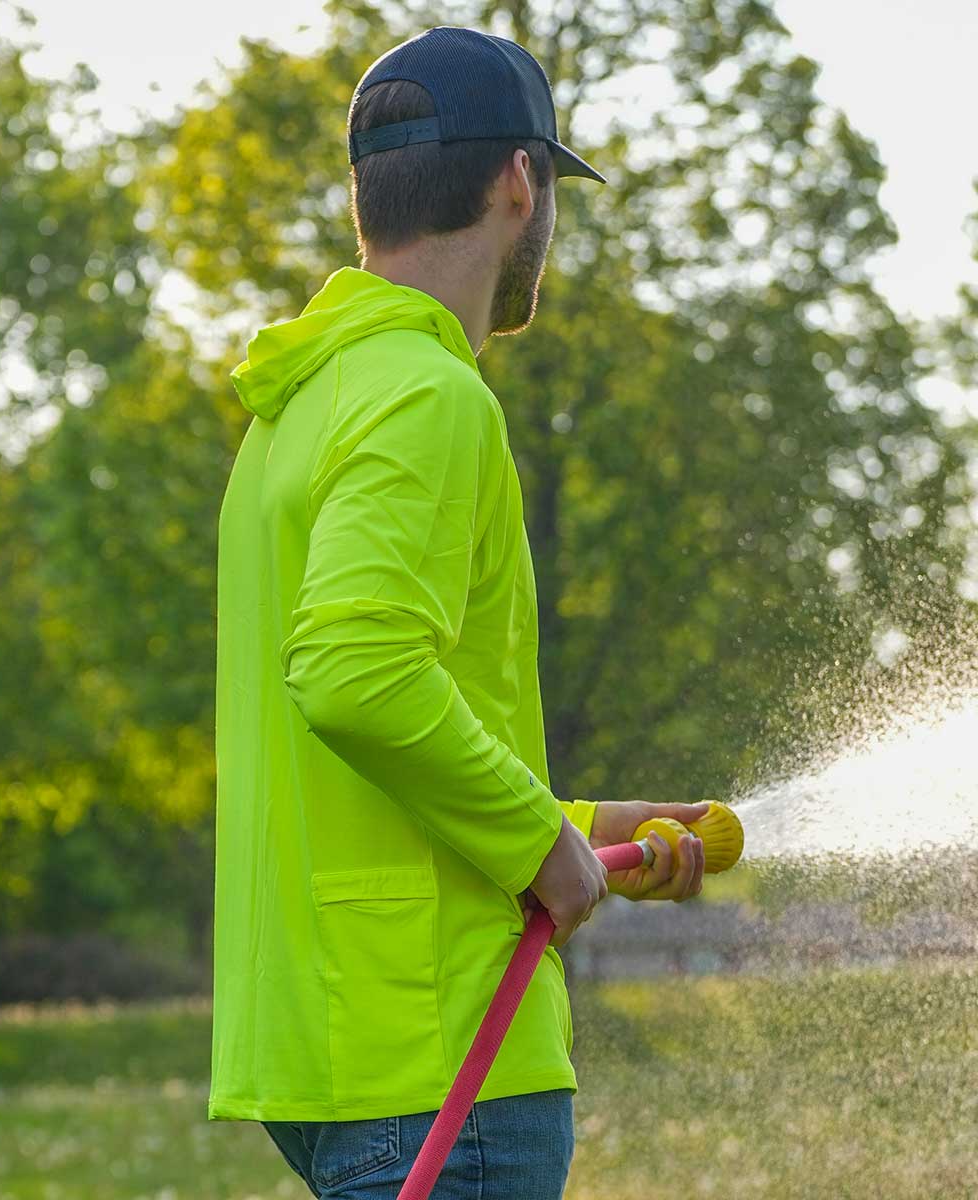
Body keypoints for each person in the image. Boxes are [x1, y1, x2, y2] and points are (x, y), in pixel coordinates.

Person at [209, 25, 708, 1199]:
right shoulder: (431, 396)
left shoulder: (296, 410)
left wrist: (579, 824)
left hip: (334, 1055)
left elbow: (366, 758)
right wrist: (539, 844)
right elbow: (356, 674)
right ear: (519, 182)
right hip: (444, 1061)